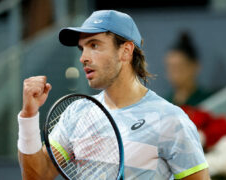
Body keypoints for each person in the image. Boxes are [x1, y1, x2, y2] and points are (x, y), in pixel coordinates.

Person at [17, 10, 210, 179]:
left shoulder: (171, 119)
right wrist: (28, 117)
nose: (83, 57)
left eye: (94, 45)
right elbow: (37, 177)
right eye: (82, 48)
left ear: (125, 51)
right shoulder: (76, 113)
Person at [164, 31, 212, 106]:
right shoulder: (164, 104)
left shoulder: (210, 100)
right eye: (170, 68)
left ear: (195, 66)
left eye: (179, 68)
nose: (174, 74)